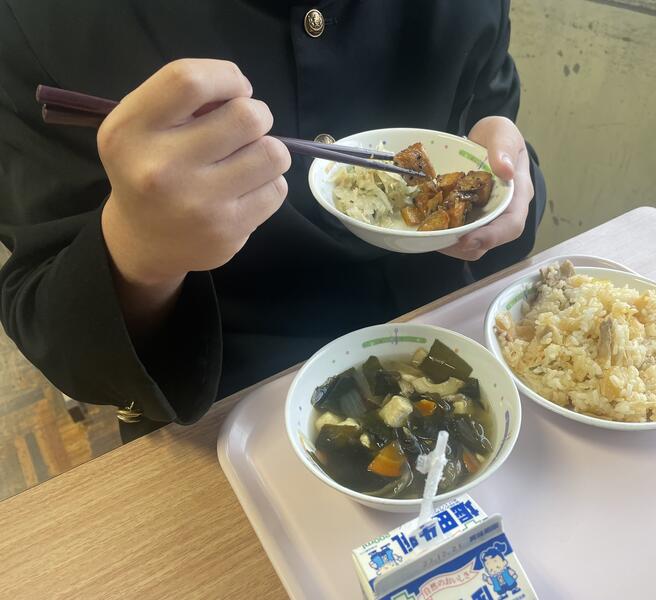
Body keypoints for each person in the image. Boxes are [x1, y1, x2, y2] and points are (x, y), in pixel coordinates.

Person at [0, 1, 546, 442]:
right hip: (232, 418)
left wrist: (511, 190)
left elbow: (498, 151)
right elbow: (55, 330)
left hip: (458, 359)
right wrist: (138, 251)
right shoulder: (41, 19)